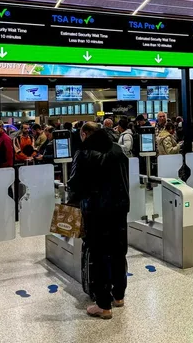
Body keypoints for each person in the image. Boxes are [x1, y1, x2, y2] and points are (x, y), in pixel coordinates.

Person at [67, 122, 129, 320]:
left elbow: (75, 184)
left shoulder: (83, 152)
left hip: (95, 212)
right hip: (119, 209)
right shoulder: (118, 150)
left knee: (99, 255)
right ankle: (118, 296)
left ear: (85, 134)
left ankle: (103, 305)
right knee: (119, 251)